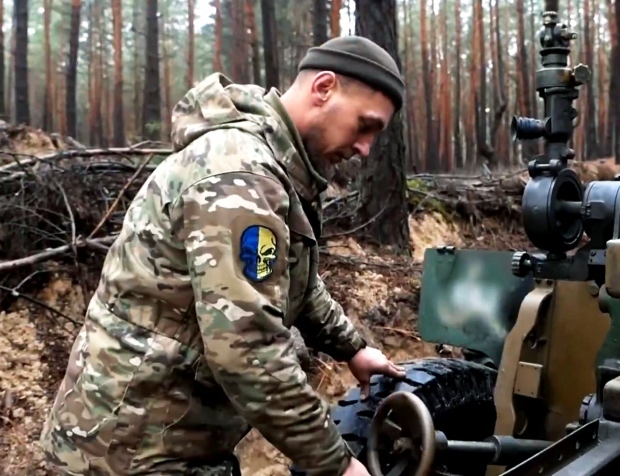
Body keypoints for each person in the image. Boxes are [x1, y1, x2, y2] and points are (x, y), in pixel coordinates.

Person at [39, 36, 408, 476]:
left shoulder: (275, 168)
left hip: (160, 434)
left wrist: (352, 348)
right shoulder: (241, 178)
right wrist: (338, 464)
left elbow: (290, 281)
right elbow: (247, 348)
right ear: (324, 88)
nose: (366, 149)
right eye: (365, 125)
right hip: (131, 449)